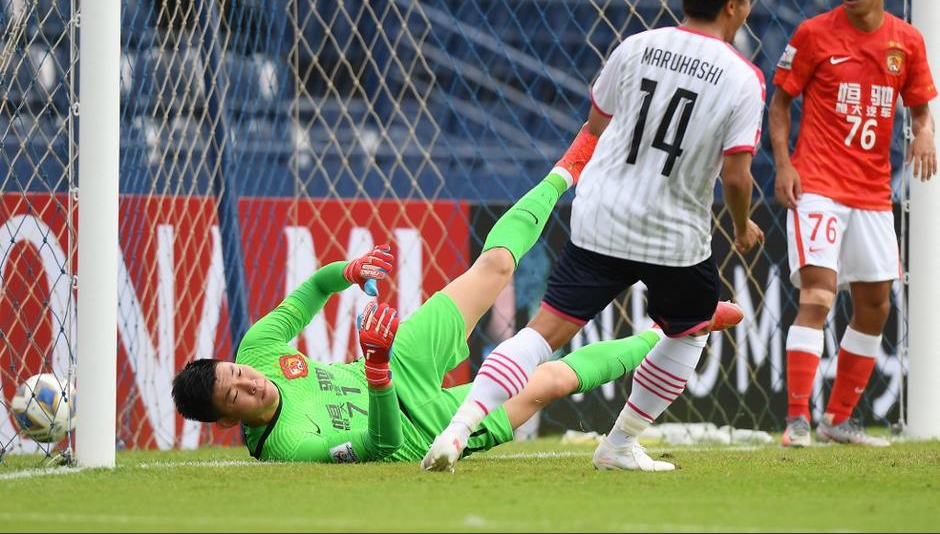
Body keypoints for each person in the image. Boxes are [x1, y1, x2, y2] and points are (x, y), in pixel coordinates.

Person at [423, 0, 764, 473]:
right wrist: (742, 227)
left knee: (541, 335)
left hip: (601, 219)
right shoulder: (743, 78)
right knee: (690, 328)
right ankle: (620, 444)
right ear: (735, 7)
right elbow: (738, 175)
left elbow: (598, 123)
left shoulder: (635, 47)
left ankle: (457, 428)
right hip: (674, 236)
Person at [171, 162, 678, 464]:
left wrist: (346, 271)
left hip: (399, 362)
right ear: (224, 424)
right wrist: (374, 372)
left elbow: (311, 291)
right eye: (234, 395)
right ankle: (667, 332)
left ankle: (567, 166)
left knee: (495, 265)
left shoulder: (259, 349)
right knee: (546, 381)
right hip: (421, 429)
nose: (250, 382)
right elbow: (381, 442)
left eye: (237, 373)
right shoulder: (286, 447)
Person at [770, 0, 937, 448]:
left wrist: (925, 131)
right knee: (818, 294)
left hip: (870, 195)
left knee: (876, 306)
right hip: (817, 184)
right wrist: (783, 164)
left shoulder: (906, 41)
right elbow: (778, 104)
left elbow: (919, 103)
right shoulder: (814, 35)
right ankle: (797, 419)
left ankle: (837, 420)